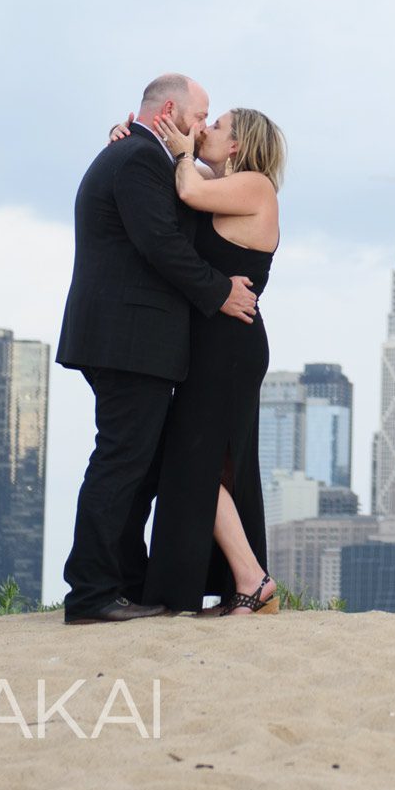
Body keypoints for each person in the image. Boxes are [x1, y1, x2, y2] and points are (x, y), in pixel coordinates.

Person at [57, 74, 257, 625]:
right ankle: (93, 591)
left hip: (129, 339)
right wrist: (220, 292)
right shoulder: (140, 159)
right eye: (201, 115)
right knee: (122, 461)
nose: (201, 126)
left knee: (136, 466)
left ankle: (121, 584)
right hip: (127, 339)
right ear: (171, 110)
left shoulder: (144, 155)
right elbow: (160, 243)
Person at [130, 105, 287, 617]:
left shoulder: (256, 186)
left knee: (195, 461)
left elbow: (188, 189)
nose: (206, 130)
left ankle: (252, 580)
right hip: (212, 345)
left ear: (238, 145)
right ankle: (246, 581)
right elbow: (179, 173)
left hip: (231, 346)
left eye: (216, 126)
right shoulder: (219, 182)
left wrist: (181, 149)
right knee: (207, 464)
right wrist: (135, 137)